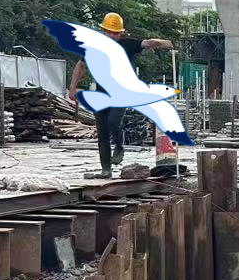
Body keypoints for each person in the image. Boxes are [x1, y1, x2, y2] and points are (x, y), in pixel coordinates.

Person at [66, 12, 175, 175]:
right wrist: (72, 88)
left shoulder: (127, 45)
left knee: (113, 122)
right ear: (103, 31)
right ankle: (106, 169)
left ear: (120, 33)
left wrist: (164, 43)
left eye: (116, 33)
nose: (112, 36)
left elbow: (147, 43)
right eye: (109, 32)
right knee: (102, 131)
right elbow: (81, 66)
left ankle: (119, 146)